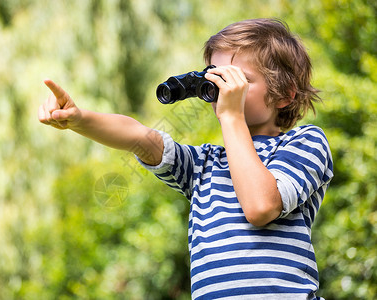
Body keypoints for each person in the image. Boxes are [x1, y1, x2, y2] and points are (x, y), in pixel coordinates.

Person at [38, 18, 333, 299]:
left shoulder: (305, 142)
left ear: (284, 95)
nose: (223, 91)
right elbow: (141, 137)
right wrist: (79, 119)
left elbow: (260, 206)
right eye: (216, 78)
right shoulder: (204, 164)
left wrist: (231, 117)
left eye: (239, 81)